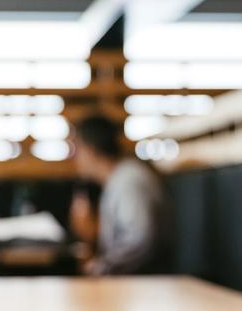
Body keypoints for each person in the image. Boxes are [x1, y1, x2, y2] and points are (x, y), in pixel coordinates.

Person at [69, 115, 171, 275]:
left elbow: (138, 240)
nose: (73, 158)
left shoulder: (128, 181)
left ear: (91, 149)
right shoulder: (117, 180)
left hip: (146, 283)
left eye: (76, 149)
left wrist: (99, 268)